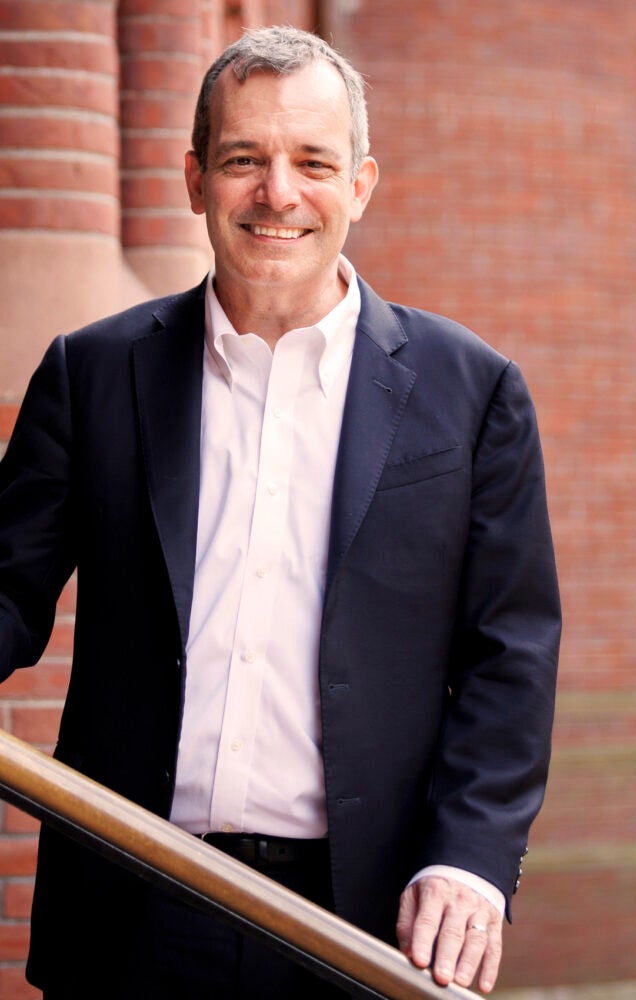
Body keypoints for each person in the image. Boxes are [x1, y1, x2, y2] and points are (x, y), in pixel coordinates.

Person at [0, 25, 560, 1000]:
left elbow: (507, 650)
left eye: (312, 161)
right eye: (243, 160)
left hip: (358, 921)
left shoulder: (470, 392)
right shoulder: (90, 374)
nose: (277, 192)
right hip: (132, 902)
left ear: (360, 185)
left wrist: (469, 854)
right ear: (192, 179)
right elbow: (7, 588)